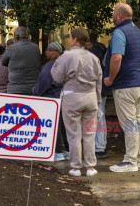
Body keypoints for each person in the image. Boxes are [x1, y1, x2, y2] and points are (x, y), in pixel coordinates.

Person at [51, 28, 101, 177]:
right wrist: (97, 100)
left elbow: (57, 78)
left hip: (72, 98)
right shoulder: (94, 58)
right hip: (91, 98)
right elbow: (99, 81)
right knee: (89, 134)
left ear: (74, 39)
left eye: (70, 37)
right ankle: (91, 167)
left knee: (73, 134)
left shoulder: (67, 56)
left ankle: (76, 167)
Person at [103, 3, 140, 172]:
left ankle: (130, 162)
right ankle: (139, 158)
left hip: (124, 85)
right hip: (138, 83)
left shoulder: (120, 32)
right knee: (137, 122)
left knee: (129, 123)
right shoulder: (138, 31)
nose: (113, 16)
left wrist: (111, 79)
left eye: (114, 13)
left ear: (119, 16)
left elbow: (116, 58)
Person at [33, 41, 69, 162]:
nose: (46, 52)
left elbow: (43, 84)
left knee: (55, 125)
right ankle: (69, 151)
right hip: (68, 98)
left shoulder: (49, 66)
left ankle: (58, 152)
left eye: (49, 50)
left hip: (52, 98)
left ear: (57, 52)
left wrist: (34, 91)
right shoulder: (67, 63)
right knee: (66, 125)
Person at [1, 27, 41, 95]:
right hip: (33, 87)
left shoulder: (12, 48)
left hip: (15, 88)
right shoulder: (36, 47)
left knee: (16, 105)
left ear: (16, 36)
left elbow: (3, 62)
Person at [88, 30, 109, 159]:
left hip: (95, 90)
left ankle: (100, 147)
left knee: (97, 117)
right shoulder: (103, 51)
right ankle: (100, 146)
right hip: (103, 89)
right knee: (100, 117)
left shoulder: (91, 54)